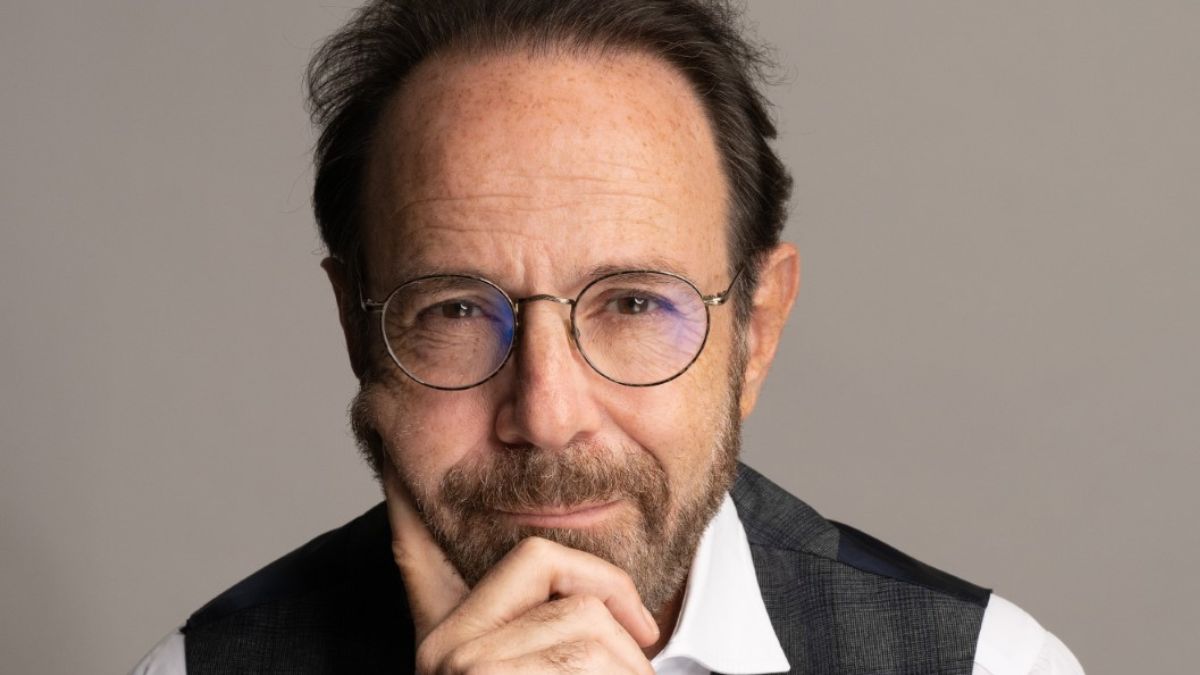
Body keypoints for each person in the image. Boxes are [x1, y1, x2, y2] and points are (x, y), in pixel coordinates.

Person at [133, 1, 1083, 673]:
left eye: (632, 304)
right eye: (456, 309)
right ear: (358, 330)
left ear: (755, 330)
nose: (547, 416)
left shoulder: (992, 665)